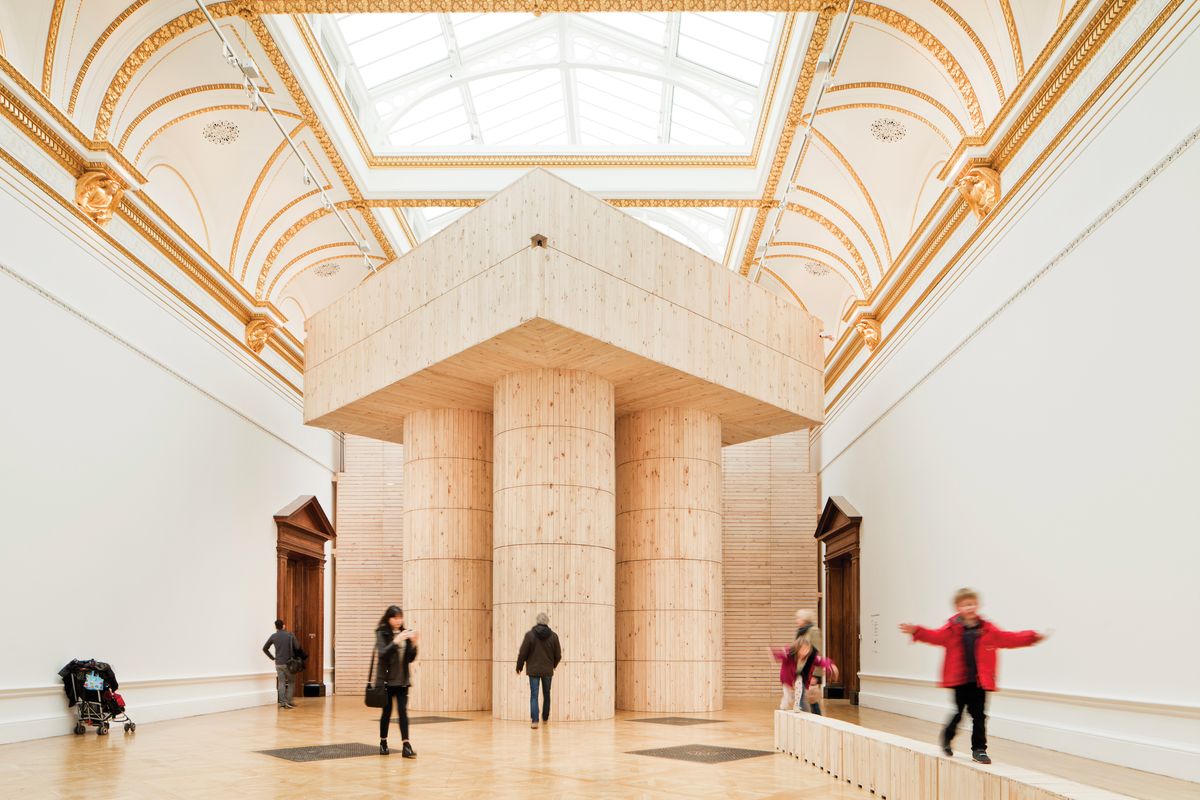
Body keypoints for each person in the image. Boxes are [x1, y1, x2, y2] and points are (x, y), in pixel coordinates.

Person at [899, 587, 1045, 764]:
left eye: (972, 604)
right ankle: (947, 737)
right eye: (965, 605)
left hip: (980, 681)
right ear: (958, 608)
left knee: (979, 715)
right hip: (960, 681)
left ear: (978, 605)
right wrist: (916, 630)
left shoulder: (988, 629)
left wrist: (1031, 637)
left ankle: (979, 749)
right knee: (959, 713)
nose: (969, 607)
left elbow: (1008, 638)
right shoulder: (951, 629)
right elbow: (934, 636)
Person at [375, 605, 419, 757]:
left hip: (402, 682)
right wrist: (396, 641)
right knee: (386, 713)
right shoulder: (382, 632)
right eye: (395, 617)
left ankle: (406, 745)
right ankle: (383, 742)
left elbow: (410, 658)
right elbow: (382, 654)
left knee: (403, 712)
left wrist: (414, 644)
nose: (399, 620)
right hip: (386, 682)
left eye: (400, 617)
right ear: (389, 618)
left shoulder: (404, 633)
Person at [516, 612, 561, 729]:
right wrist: (553, 665)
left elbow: (523, 653)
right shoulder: (554, 636)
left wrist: (519, 666)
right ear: (547, 622)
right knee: (547, 694)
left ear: (537, 621)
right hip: (547, 670)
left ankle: (535, 721)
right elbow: (558, 655)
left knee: (534, 695)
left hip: (533, 670)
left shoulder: (529, 635)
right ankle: (545, 718)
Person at [793, 636, 838, 715]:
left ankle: (815, 715)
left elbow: (821, 661)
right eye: (802, 649)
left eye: (806, 649)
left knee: (812, 698)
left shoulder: (811, 657)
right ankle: (800, 709)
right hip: (798, 679)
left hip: (806, 679)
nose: (804, 652)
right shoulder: (792, 656)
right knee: (801, 695)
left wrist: (830, 665)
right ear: (797, 649)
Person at [262, 619, 301, 709]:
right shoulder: (290, 635)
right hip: (289, 663)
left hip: (278, 664)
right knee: (291, 681)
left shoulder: (273, 636)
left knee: (281, 682)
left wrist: (272, 657)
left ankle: (282, 703)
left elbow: (265, 648)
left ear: (275, 627)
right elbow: (297, 647)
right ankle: (289, 701)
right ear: (283, 626)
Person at [794, 609, 824, 713]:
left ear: (805, 619)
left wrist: (815, 675)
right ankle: (803, 717)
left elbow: (816, 652)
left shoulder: (813, 631)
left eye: (799, 618)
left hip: (810, 669)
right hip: (801, 668)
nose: (796, 620)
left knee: (811, 698)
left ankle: (817, 719)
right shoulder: (800, 632)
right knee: (801, 696)